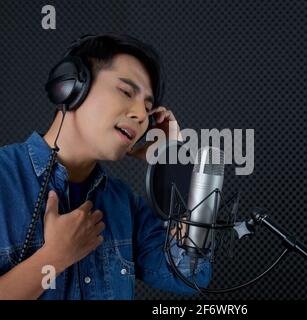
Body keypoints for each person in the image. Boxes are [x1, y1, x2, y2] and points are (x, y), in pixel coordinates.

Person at [0, 33, 211, 299]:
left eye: (148, 109)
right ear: (71, 86)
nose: (140, 115)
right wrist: (54, 258)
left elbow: (190, 275)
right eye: (126, 92)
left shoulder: (124, 204)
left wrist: (175, 163)